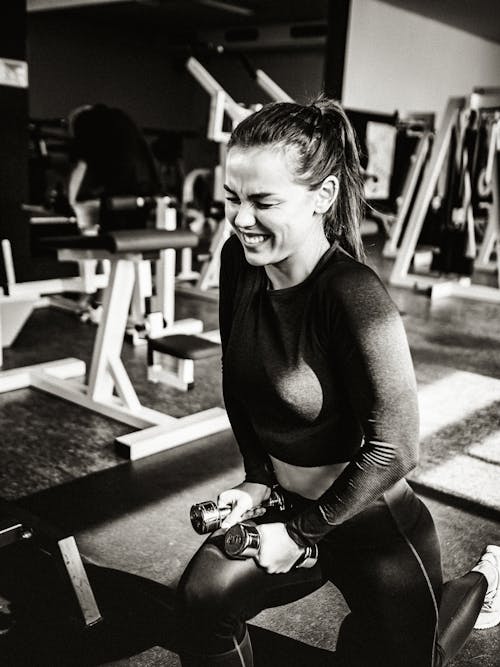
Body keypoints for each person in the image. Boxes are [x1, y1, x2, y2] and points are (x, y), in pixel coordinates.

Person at [175, 97, 500, 666]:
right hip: (285, 502)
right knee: (201, 602)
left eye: (263, 201)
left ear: (323, 196)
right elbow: (238, 383)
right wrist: (256, 480)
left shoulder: (352, 296)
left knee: (420, 653)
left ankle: (485, 582)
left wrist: (301, 532)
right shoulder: (239, 261)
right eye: (233, 199)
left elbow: (397, 449)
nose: (241, 220)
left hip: (370, 519)